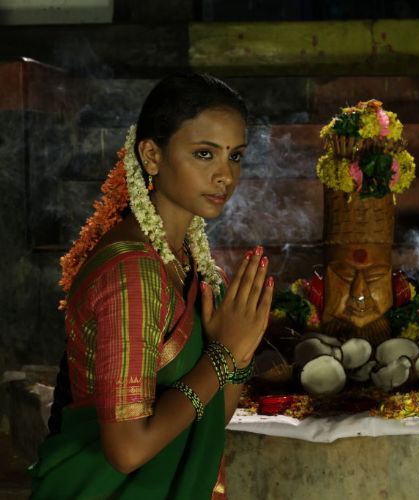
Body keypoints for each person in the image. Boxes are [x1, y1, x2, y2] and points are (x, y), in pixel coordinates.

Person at [29, 73, 272, 499]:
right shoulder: (131, 272)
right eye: (204, 154)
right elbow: (127, 450)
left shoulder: (190, 263)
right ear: (152, 155)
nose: (225, 176)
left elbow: (208, 417)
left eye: (235, 156)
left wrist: (239, 352)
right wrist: (220, 357)